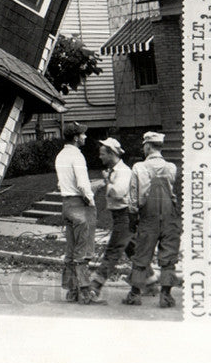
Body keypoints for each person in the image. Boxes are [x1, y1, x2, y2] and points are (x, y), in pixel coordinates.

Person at [123, 131, 182, 308]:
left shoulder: (139, 167)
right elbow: (174, 194)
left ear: (148, 146)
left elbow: (133, 195)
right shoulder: (171, 167)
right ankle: (165, 296)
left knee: (141, 255)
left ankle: (135, 295)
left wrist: (132, 217)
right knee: (168, 256)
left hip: (148, 216)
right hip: (169, 215)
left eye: (144, 146)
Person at [85, 137, 132, 303]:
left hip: (125, 216)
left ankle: (94, 287)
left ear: (112, 153)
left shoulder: (123, 172)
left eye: (102, 154)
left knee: (112, 251)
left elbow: (118, 192)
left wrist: (109, 182)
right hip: (120, 216)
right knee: (134, 251)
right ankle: (150, 283)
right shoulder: (114, 170)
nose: (100, 157)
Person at [55, 122, 97, 303]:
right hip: (80, 204)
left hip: (67, 204)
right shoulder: (77, 156)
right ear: (75, 137)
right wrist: (90, 199)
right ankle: (85, 291)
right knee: (83, 249)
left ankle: (71, 290)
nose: (85, 137)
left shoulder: (60, 156)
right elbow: (82, 183)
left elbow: (60, 183)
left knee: (71, 249)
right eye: (83, 134)